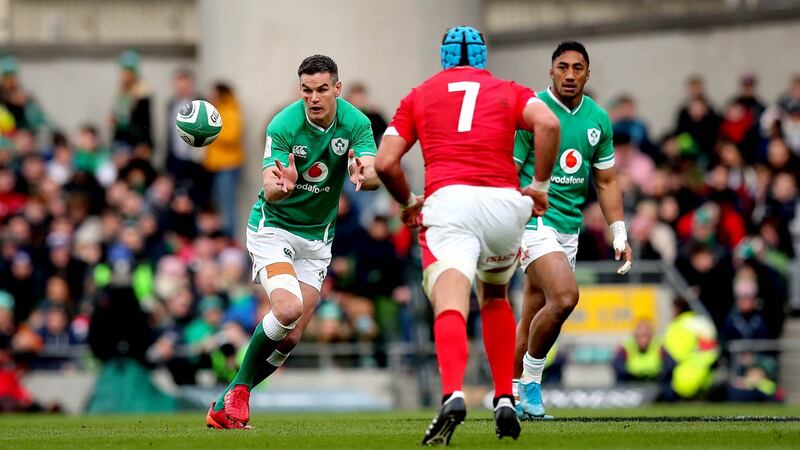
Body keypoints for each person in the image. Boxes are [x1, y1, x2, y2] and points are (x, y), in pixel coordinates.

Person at [375, 26, 560, 444]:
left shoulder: (419, 95)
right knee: (494, 298)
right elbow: (547, 124)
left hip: (449, 202)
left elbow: (386, 163)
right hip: (504, 204)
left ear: (443, 57)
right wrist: (542, 187)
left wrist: (408, 203)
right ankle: (504, 397)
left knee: (450, 301)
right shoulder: (509, 90)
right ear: (482, 57)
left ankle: (453, 393)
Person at [206, 55, 380, 429]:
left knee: (291, 337)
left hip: (317, 241)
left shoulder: (356, 122)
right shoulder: (284, 124)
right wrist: (280, 186)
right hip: (274, 230)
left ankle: (231, 397)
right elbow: (270, 186)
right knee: (286, 310)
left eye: (321, 90)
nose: (313, 98)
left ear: (337, 88)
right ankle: (237, 394)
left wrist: (364, 173)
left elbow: (373, 170)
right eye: (306, 90)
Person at [512, 41, 633, 420]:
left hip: (569, 227)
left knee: (534, 312)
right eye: (562, 66)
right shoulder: (531, 110)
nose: (569, 74)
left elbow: (607, 181)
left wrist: (619, 231)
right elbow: (507, 172)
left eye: (577, 68)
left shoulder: (598, 118)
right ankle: (532, 382)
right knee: (565, 297)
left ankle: (510, 396)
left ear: (587, 73)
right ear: (551, 71)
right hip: (533, 221)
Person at [203, 82, 245, 237]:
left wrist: (210, 130)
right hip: (216, 165)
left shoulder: (230, 111)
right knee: (219, 205)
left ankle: (229, 238)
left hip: (228, 165)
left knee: (227, 205)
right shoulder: (218, 110)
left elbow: (231, 137)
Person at [111, 51, 152, 150]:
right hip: (121, 140)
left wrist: (144, 143)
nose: (126, 74)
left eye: (129, 71)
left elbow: (145, 121)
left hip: (135, 142)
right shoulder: (121, 91)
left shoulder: (142, 91)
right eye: (124, 71)